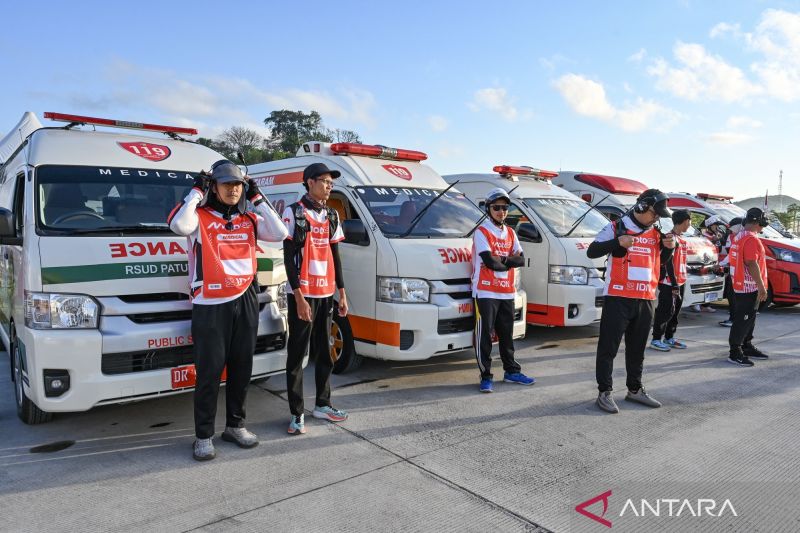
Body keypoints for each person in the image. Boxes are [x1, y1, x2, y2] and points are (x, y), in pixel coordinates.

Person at [168, 160, 289, 461]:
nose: (233, 189)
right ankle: (203, 436)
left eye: (237, 184)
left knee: (241, 367)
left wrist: (257, 196)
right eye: (226, 184)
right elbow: (178, 226)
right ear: (214, 187)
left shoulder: (249, 218)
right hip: (210, 303)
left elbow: (280, 232)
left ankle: (235, 426)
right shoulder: (197, 216)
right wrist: (196, 191)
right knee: (209, 372)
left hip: (245, 298)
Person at [587, 189, 676, 413]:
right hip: (618, 298)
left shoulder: (656, 232)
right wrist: (618, 241)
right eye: (655, 213)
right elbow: (592, 251)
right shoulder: (616, 227)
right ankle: (604, 392)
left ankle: (634, 389)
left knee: (637, 350)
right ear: (641, 206)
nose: (657, 217)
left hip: (645, 298)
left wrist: (669, 249)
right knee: (608, 348)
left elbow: (660, 262)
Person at [282, 162, 349, 435]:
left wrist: (342, 293)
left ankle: (323, 404)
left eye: (332, 182)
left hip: (325, 293)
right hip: (303, 294)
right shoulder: (294, 212)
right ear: (310, 182)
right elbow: (288, 258)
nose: (329, 186)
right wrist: (298, 296)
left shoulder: (332, 214)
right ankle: (296, 413)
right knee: (297, 355)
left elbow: (336, 255)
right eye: (325, 181)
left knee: (325, 351)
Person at [470, 188, 533, 393]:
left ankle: (511, 371)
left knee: (507, 335)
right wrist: (506, 260)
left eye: (505, 207)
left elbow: (521, 260)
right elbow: (490, 261)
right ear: (488, 208)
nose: (501, 211)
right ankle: (486, 376)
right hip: (485, 291)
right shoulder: (482, 231)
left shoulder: (511, 233)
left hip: (507, 290)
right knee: (485, 337)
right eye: (496, 207)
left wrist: (502, 259)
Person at [727, 208, 770, 366]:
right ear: (758, 223)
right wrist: (761, 286)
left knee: (749, 318)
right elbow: (751, 263)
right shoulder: (751, 239)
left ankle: (746, 345)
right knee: (743, 319)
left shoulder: (740, 236)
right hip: (748, 287)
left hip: (741, 284)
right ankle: (735, 352)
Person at [650, 209, 691, 352]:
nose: (689, 224)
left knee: (675, 311)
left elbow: (681, 261)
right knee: (665, 311)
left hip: (681, 280)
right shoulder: (670, 238)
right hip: (670, 282)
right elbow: (668, 263)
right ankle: (656, 339)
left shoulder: (682, 239)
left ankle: (669, 337)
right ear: (685, 221)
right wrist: (674, 284)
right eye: (689, 221)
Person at [692, 216, 728, 313]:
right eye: (715, 225)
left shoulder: (717, 234)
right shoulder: (704, 235)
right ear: (710, 226)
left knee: (710, 284)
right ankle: (696, 303)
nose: (717, 227)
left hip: (714, 261)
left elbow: (720, 247)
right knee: (702, 283)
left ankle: (706, 305)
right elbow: (705, 244)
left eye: (717, 225)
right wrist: (715, 239)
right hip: (705, 262)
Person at [718, 217, 743, 328]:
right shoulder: (734, 236)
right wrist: (721, 264)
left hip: (740, 273)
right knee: (731, 295)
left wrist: (721, 264)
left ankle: (734, 319)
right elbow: (731, 254)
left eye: (732, 228)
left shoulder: (741, 238)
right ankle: (735, 318)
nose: (730, 230)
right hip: (734, 272)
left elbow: (732, 255)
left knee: (733, 296)